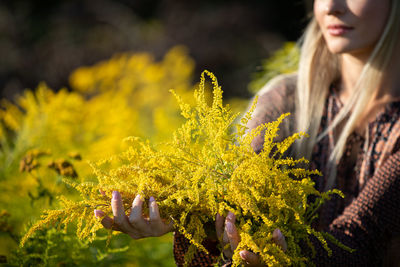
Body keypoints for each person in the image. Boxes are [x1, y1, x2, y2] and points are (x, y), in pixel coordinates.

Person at [94, 0, 400, 265]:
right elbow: (237, 201)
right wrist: (183, 214)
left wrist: (284, 258)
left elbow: (361, 236)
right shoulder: (283, 102)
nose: (332, 6)